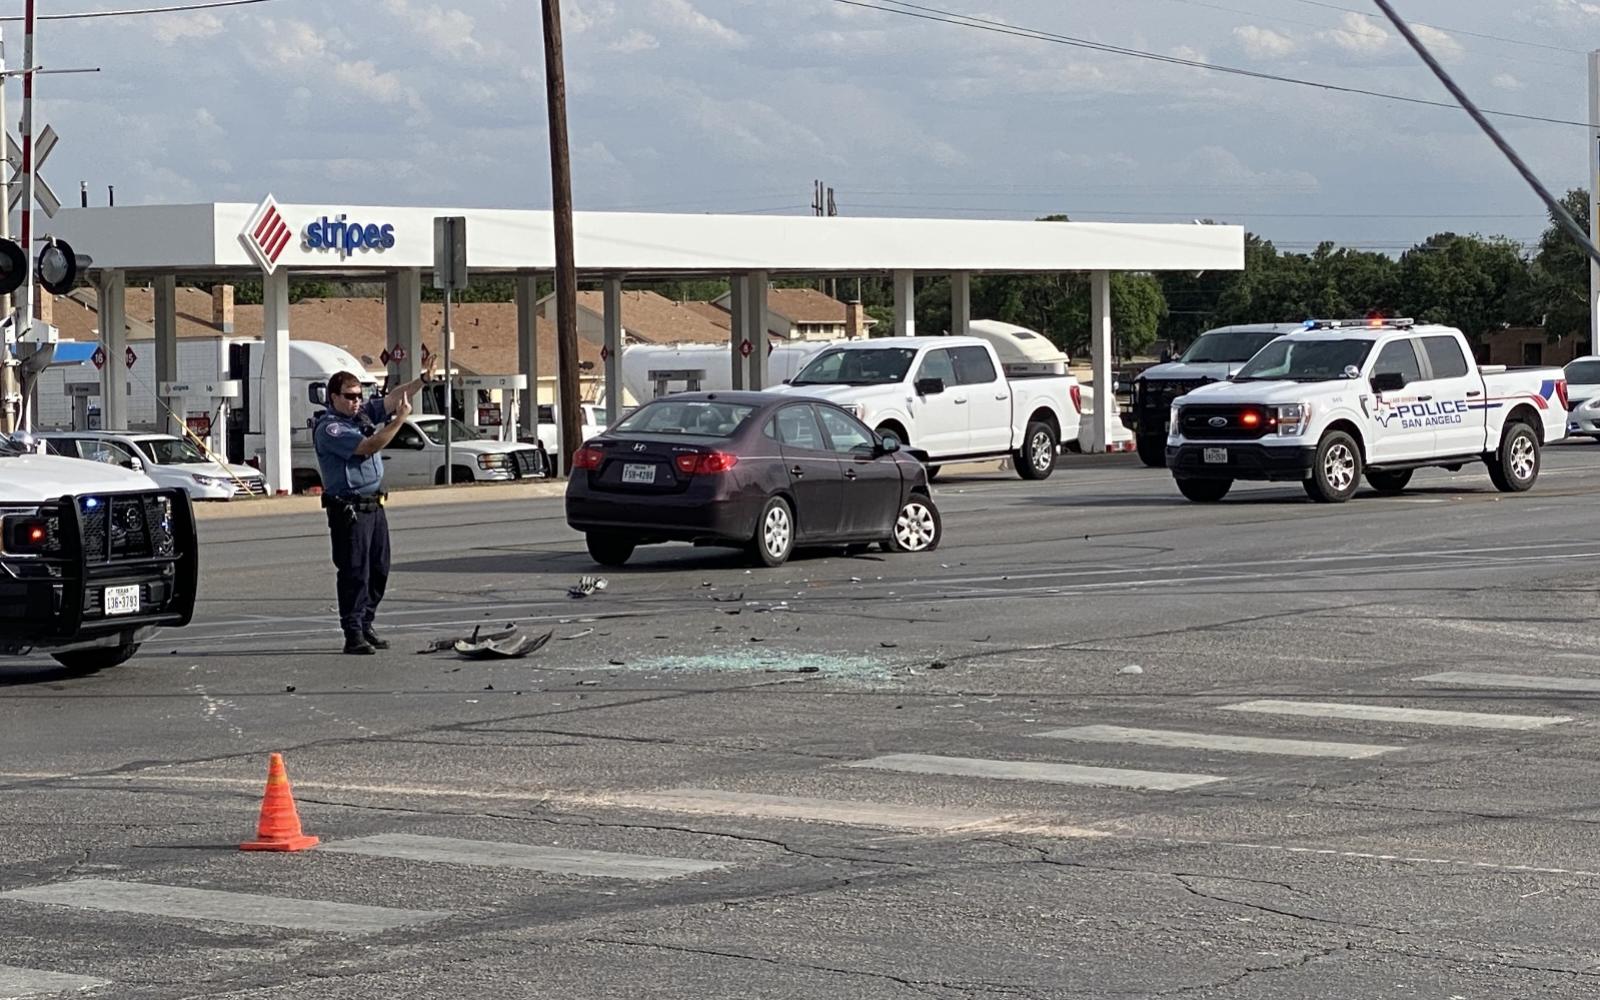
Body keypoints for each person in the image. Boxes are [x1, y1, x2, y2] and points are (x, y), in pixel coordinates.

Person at [313, 365, 432, 655]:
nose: (356, 401)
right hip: (349, 510)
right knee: (355, 571)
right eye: (350, 396)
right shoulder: (332, 428)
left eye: (359, 396)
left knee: (379, 569)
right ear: (333, 397)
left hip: (374, 506)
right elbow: (369, 446)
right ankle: (353, 632)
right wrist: (400, 421)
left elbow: (392, 398)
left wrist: (422, 381)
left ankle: (366, 622)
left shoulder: (360, 414)